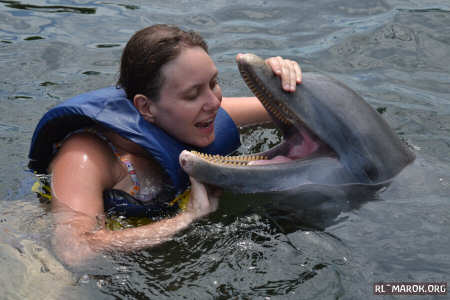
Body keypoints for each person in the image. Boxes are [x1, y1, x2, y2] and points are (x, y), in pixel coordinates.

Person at [28, 24, 302, 266]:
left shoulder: (199, 115)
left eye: (214, 83)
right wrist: (186, 219)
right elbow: (75, 250)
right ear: (146, 107)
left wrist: (282, 83)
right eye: (193, 94)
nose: (214, 102)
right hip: (36, 255)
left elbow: (295, 112)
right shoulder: (85, 157)